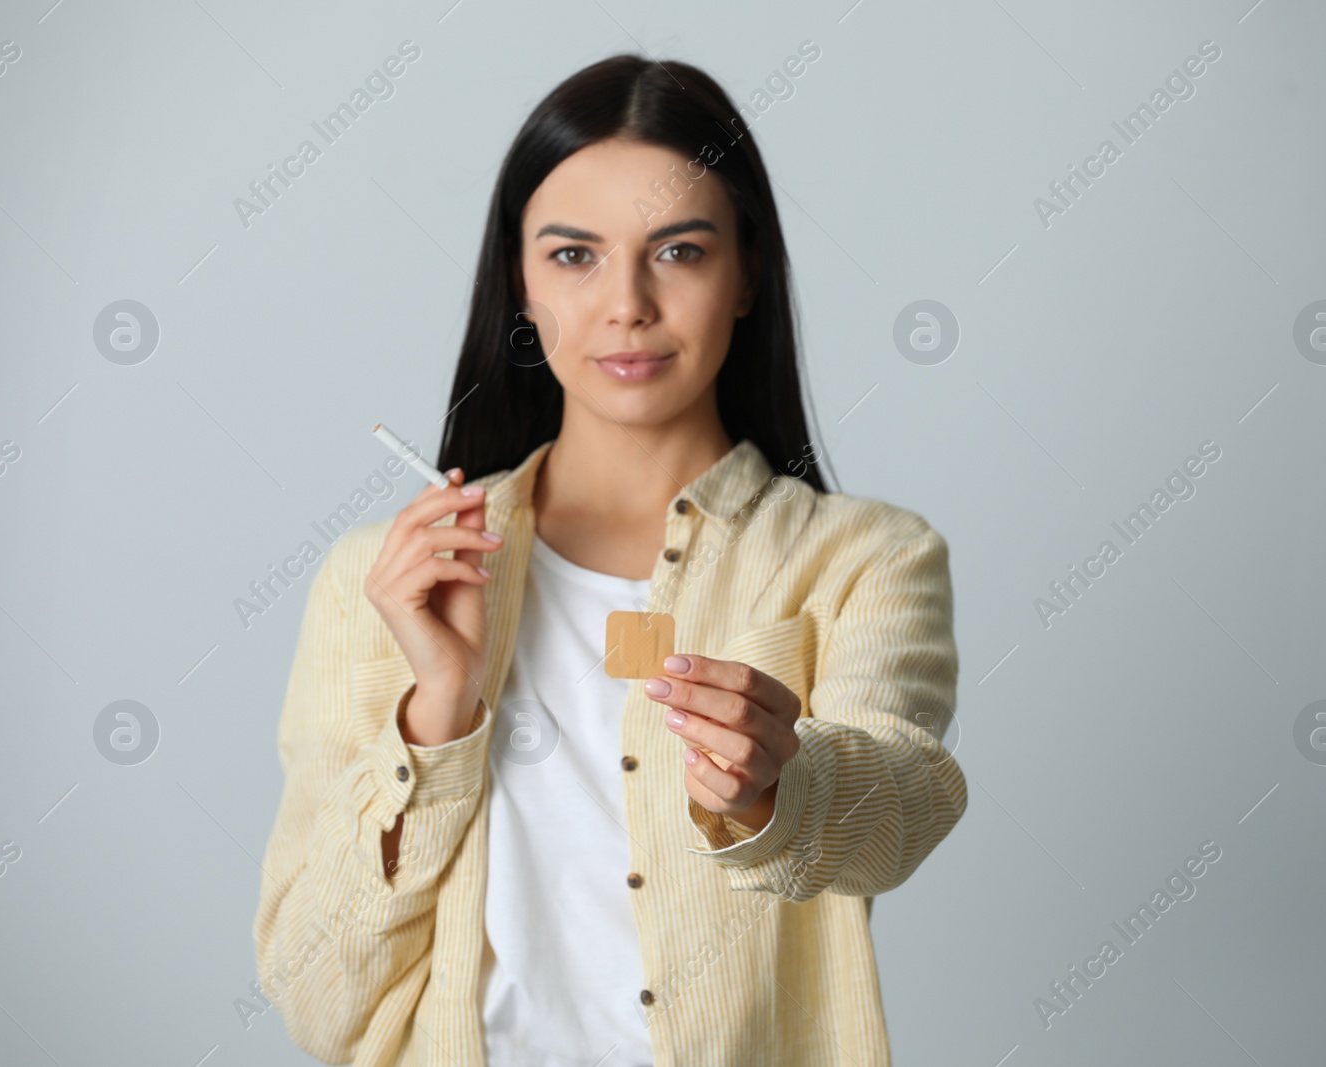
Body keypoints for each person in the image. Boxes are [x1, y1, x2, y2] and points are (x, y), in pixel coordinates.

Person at [253, 52, 966, 1066]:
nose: (625, 302)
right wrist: (437, 710)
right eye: (574, 255)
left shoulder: (864, 557)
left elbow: (899, 812)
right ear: (520, 282)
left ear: (747, 272)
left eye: (677, 251)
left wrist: (778, 781)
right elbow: (317, 996)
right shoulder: (382, 583)